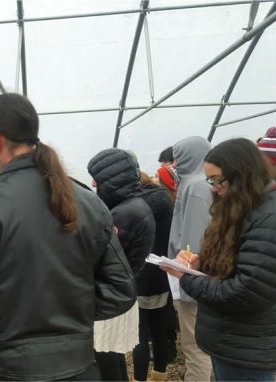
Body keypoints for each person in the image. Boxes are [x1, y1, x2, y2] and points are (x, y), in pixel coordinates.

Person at [0, 93, 136, 381]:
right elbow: (121, 290)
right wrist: (69, 315)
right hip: (79, 371)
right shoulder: (89, 203)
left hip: (2, 372)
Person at [162, 138, 276, 381]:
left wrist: (187, 278)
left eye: (217, 180)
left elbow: (247, 292)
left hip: (248, 348)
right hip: (233, 341)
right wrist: (200, 263)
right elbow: (238, 259)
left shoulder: (269, 219)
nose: (213, 187)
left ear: (242, 176)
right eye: (210, 180)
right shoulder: (244, 208)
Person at [88, 149, 155, 381]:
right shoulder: (134, 205)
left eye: (97, 178)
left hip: (112, 294)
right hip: (121, 291)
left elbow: (103, 257)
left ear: (111, 179)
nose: (93, 183)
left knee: (105, 359)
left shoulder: (124, 214)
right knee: (111, 355)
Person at [167, 136, 212, 381]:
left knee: (195, 346)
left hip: (191, 277)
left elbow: (192, 241)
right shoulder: (200, 182)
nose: (173, 162)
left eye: (177, 156)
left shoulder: (195, 186)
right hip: (197, 277)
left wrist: (187, 281)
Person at [133, 171, 175, 381]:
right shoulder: (166, 200)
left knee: (140, 334)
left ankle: (139, 378)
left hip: (142, 276)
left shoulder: (138, 207)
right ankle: (159, 374)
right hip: (162, 272)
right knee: (158, 328)